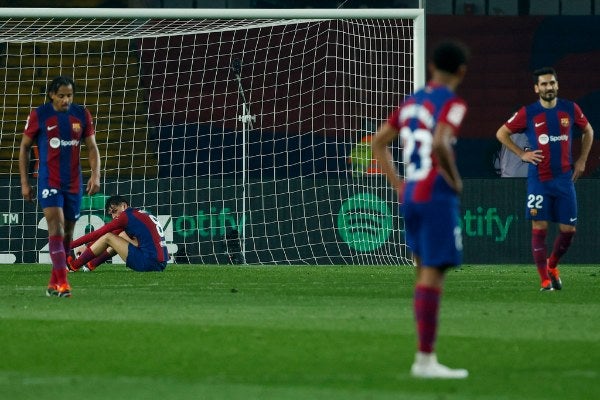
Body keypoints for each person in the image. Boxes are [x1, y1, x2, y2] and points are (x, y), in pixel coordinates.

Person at [371, 40, 470, 379]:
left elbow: (377, 141)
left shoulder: (411, 101)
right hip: (435, 193)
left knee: (422, 270)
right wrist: (455, 180)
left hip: (412, 191)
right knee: (432, 273)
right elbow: (442, 142)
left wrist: (399, 184)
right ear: (461, 71)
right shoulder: (452, 103)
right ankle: (425, 360)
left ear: (431, 67)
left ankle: (424, 356)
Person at [496, 67, 593, 291]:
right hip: (538, 180)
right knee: (539, 227)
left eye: (552, 83)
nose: (548, 87)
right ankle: (545, 280)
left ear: (557, 85)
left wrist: (582, 160)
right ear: (536, 88)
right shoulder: (528, 113)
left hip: (564, 180)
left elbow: (588, 130)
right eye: (544, 84)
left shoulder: (570, 109)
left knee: (569, 230)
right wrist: (521, 154)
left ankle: (553, 265)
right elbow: (501, 133)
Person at [19, 76, 101, 298]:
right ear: (52, 95)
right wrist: (25, 182)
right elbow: (24, 147)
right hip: (48, 180)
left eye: (70, 95)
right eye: (62, 95)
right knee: (56, 226)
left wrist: (96, 175)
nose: (66, 100)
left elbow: (92, 147)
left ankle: (54, 283)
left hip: (74, 182)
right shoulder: (40, 115)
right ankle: (63, 283)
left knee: (68, 234)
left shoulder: (81, 115)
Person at [67, 195, 169, 272]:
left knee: (109, 237)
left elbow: (98, 233)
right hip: (161, 263)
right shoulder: (140, 214)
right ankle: (91, 264)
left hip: (148, 262)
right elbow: (113, 233)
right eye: (111, 214)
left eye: (115, 211)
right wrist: (87, 246)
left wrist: (69, 246)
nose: (114, 216)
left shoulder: (125, 217)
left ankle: (73, 265)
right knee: (117, 237)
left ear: (124, 206)